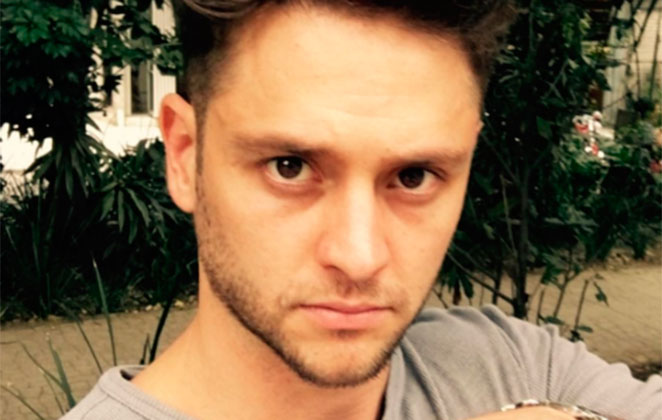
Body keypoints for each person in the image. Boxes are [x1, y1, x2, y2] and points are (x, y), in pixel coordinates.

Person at [62, 1, 661, 419]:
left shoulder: (516, 366)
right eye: (289, 166)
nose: (359, 256)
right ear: (183, 156)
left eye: (413, 176)